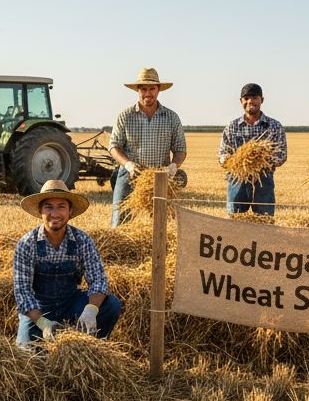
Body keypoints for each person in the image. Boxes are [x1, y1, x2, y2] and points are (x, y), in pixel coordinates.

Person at [13, 180, 123, 349]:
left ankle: (92, 347)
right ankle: (44, 331)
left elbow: (98, 280)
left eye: (61, 206)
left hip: (71, 303)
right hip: (39, 309)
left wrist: (91, 310)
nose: (55, 213)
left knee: (112, 305)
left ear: (70, 211)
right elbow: (22, 292)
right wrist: (43, 323)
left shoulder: (82, 240)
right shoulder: (27, 243)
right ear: (40, 211)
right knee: (26, 352)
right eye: (49, 207)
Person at [108, 68, 187, 227]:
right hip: (130, 173)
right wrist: (128, 164)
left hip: (160, 175)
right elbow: (114, 146)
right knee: (120, 219)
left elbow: (180, 149)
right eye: (143, 89)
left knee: (162, 223)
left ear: (158, 90)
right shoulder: (126, 115)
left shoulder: (171, 117)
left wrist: (173, 167)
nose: (148, 93)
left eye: (152, 89)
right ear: (138, 90)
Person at [218, 83, 288, 215]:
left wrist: (261, 160)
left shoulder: (274, 126)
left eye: (254, 97)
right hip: (237, 179)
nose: (250, 101)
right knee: (234, 222)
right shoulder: (232, 127)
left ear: (262, 99)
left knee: (264, 222)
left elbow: (282, 154)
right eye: (246, 98)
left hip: (264, 180)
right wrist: (234, 161)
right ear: (241, 101)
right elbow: (222, 155)